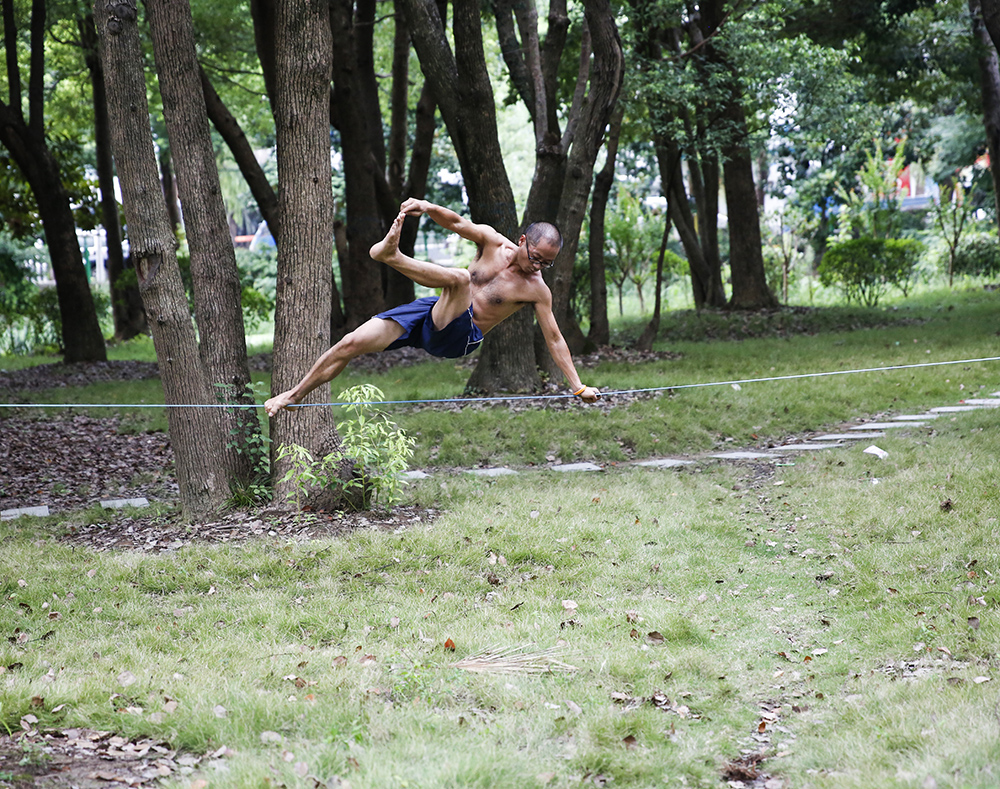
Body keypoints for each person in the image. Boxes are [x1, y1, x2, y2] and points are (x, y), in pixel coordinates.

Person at [263, 198, 601, 416]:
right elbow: (456, 222)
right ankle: (293, 395)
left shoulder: (537, 291)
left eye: (547, 264)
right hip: (433, 311)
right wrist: (426, 206)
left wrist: (578, 386)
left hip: (459, 337)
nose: (538, 267)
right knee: (350, 343)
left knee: (458, 279)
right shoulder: (492, 241)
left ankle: (391, 257)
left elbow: (554, 339)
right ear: (523, 241)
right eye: (536, 258)